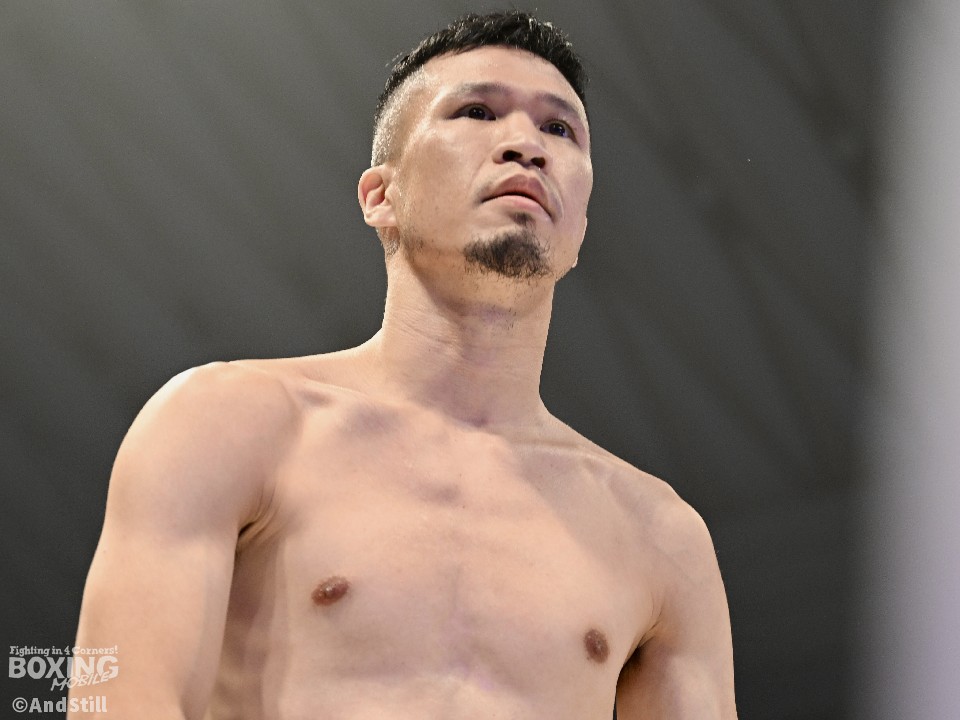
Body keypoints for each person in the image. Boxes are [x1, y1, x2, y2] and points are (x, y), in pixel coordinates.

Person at [70, 10, 737, 719]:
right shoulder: (229, 422)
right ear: (381, 197)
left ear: (579, 227)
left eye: (559, 129)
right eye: (478, 111)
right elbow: (117, 701)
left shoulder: (660, 536)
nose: (527, 145)